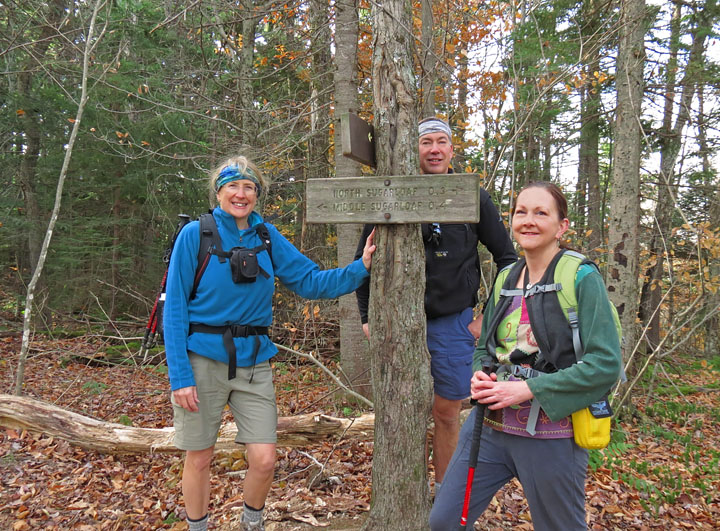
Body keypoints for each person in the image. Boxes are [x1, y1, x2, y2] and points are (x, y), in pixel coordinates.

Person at [163, 155, 376, 531]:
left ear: (257, 194)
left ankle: (252, 524)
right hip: (201, 360)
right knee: (199, 457)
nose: (241, 194)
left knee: (263, 458)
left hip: (254, 361)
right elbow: (175, 308)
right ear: (218, 191)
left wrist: (361, 267)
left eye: (249, 187)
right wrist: (180, 375)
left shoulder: (266, 236)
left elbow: (310, 281)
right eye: (233, 186)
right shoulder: (195, 235)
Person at [429, 181, 622, 530]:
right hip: (488, 428)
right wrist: (478, 374)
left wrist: (529, 389)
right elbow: (483, 348)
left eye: (541, 213)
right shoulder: (506, 275)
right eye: (521, 212)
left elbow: (605, 365)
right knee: (445, 521)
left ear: (561, 226)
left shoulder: (580, 277)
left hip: (552, 435)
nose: (528, 220)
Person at [354, 117, 517, 488]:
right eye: (426, 142)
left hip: (453, 324)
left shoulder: (471, 195)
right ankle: (404, 494)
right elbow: (362, 261)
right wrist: (366, 316)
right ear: (415, 150)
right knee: (400, 412)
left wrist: (486, 319)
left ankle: (446, 497)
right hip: (399, 325)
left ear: (451, 150)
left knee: (446, 413)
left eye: (441, 141)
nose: (434, 149)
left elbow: (508, 259)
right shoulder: (392, 195)